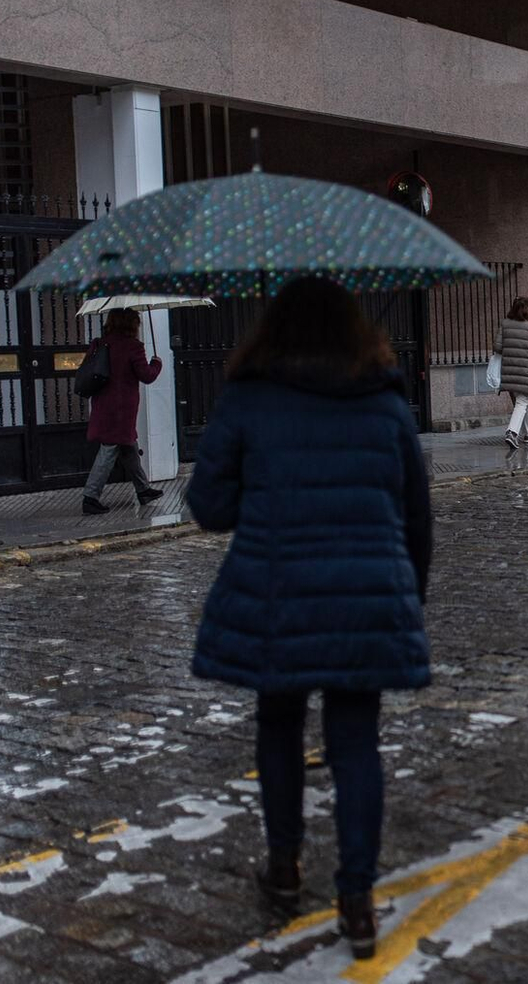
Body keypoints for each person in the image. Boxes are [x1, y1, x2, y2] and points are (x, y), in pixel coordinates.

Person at [185, 277, 431, 961]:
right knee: (356, 743)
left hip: (277, 592)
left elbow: (208, 505)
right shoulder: (385, 401)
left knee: (279, 723)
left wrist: (263, 497)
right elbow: (417, 513)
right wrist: (410, 595)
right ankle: (356, 899)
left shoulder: (248, 396)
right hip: (368, 593)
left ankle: (286, 866)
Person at [81, 308, 164, 515]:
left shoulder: (100, 344)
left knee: (129, 448)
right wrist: (156, 363)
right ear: (131, 324)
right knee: (109, 449)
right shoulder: (133, 347)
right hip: (122, 409)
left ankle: (143, 489)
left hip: (103, 404)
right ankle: (90, 497)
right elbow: (146, 375)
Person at [496, 295, 528, 451]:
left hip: (509, 371)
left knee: (522, 402)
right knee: (522, 402)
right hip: (525, 372)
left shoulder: (505, 325)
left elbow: (497, 348)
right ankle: (512, 432)